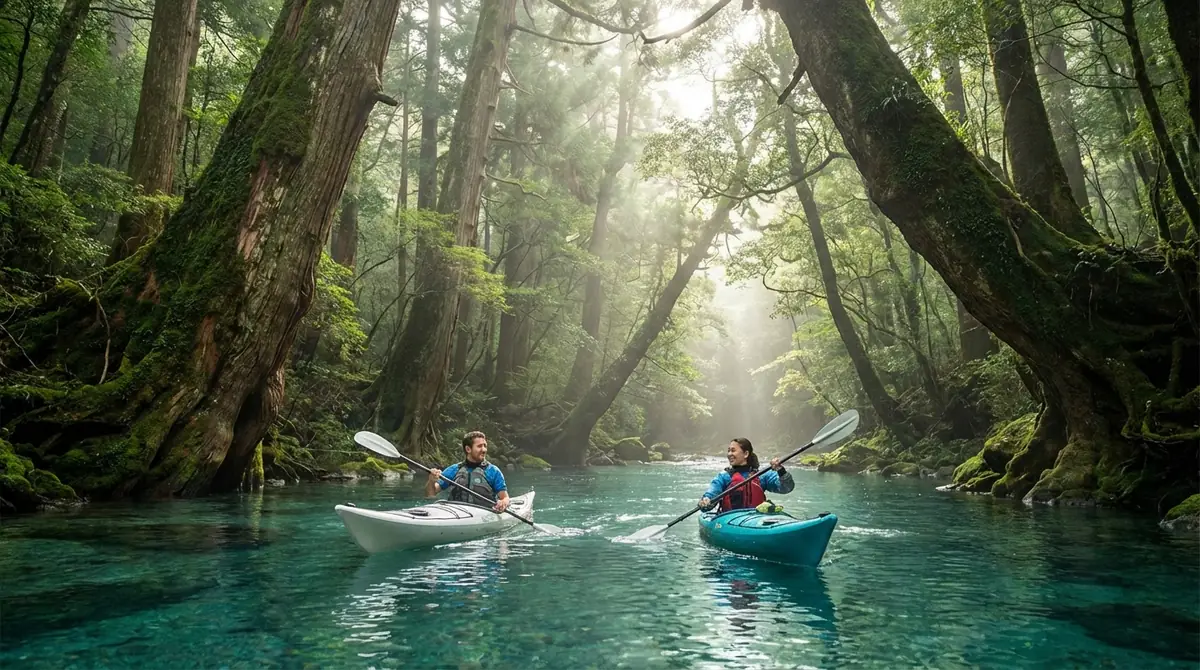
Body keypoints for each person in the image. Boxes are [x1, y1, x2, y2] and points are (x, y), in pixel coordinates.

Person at [699, 438, 794, 512]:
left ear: (746, 454)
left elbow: (786, 488)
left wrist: (780, 470)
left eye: (733, 450)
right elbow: (711, 494)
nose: (729, 454)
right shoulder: (724, 477)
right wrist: (706, 501)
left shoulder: (762, 475)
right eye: (728, 451)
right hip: (730, 520)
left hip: (757, 517)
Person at [426, 431, 510, 513]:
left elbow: (505, 498)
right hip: (456, 513)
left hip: (483, 513)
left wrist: (503, 502)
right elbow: (430, 494)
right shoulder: (454, 469)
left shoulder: (493, 471)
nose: (484, 449)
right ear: (468, 449)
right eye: (479, 446)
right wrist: (431, 481)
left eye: (485, 446)